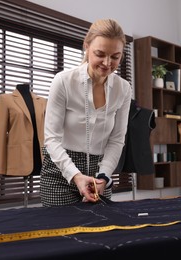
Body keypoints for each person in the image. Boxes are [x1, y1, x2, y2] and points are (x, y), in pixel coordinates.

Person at [40, 18, 132, 206]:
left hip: (100, 172)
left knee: (101, 232)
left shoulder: (123, 89)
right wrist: (75, 175)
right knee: (61, 233)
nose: (107, 63)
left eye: (115, 57)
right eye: (100, 54)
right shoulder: (63, 81)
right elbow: (51, 139)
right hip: (60, 171)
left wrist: (104, 177)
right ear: (87, 47)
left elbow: (116, 139)